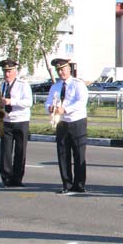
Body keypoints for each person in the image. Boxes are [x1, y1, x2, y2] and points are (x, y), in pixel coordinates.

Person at [45, 58, 89, 194]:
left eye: (63, 69)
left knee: (78, 154)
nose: (60, 72)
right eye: (58, 70)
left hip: (77, 122)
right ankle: (67, 184)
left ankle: (79, 184)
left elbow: (81, 102)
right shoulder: (55, 86)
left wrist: (65, 109)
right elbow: (47, 102)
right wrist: (50, 108)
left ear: (69, 69)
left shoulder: (78, 84)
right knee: (63, 154)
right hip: (62, 123)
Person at [0, 58, 32, 187]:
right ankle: (6, 179)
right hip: (5, 122)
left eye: (10, 71)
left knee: (20, 151)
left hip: (21, 121)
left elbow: (28, 102)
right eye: (5, 71)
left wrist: (11, 101)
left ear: (15, 71)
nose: (7, 74)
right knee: (5, 152)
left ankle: (17, 179)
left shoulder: (23, 85)